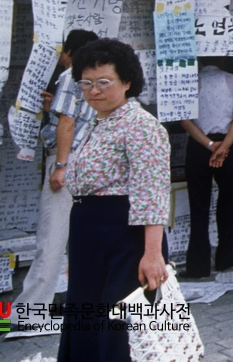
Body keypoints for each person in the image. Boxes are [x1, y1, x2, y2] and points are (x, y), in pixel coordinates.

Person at [59, 38, 170, 362]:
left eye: (103, 82)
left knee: (119, 329)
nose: (93, 91)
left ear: (127, 82)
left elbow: (151, 193)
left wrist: (152, 254)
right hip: (90, 239)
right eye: (86, 83)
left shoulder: (141, 126)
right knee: (86, 321)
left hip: (125, 240)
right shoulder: (98, 123)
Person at [12, 30, 98, 325]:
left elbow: (68, 121)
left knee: (51, 238)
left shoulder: (70, 76)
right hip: (88, 162)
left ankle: (31, 312)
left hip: (67, 160)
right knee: (82, 238)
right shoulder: (95, 80)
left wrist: (60, 165)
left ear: (69, 51)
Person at [180, 57, 233, 278]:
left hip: (199, 145)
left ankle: (197, 265)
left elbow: (184, 119)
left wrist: (209, 145)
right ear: (222, 57)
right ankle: (225, 257)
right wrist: (224, 147)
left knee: (198, 205)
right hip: (227, 145)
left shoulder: (188, 81)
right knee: (229, 202)